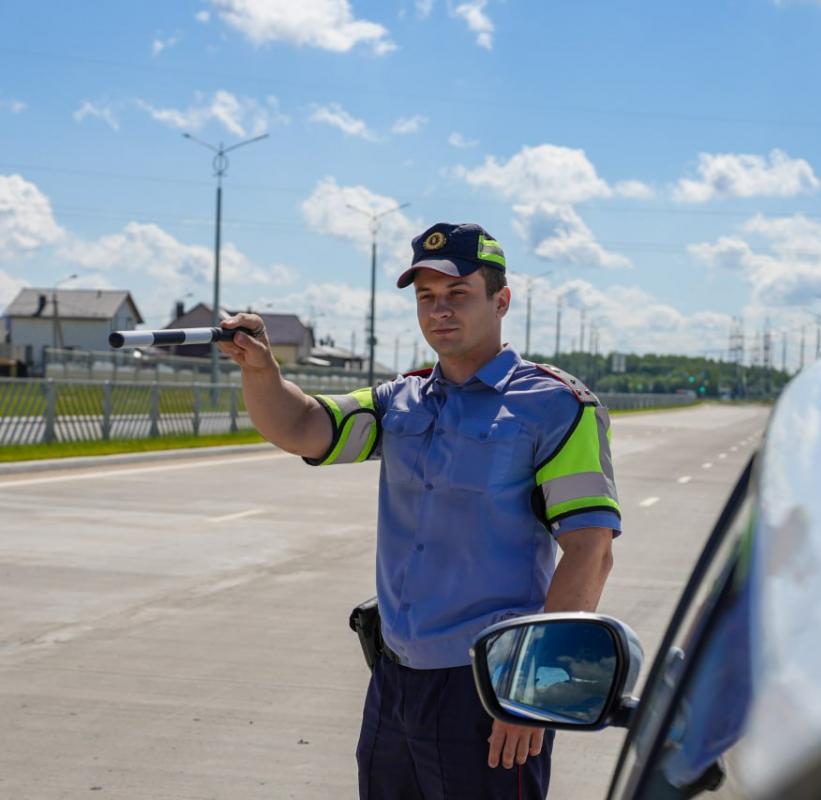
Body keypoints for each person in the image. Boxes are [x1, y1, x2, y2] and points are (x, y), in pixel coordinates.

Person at [217, 222, 621, 800]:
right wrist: (261, 371)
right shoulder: (399, 400)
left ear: (501, 301)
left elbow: (592, 551)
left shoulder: (555, 407)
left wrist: (528, 692)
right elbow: (303, 427)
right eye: (427, 298)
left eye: (458, 295)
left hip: (487, 685)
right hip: (394, 680)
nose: (440, 312)